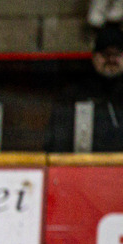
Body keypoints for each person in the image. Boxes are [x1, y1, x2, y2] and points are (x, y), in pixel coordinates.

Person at [47, 23, 123, 152]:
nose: (111, 60)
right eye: (105, 54)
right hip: (85, 168)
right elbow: (57, 145)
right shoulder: (74, 96)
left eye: (117, 54)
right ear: (94, 57)